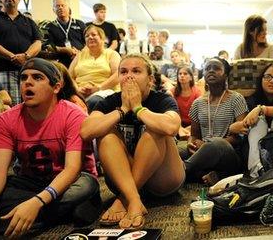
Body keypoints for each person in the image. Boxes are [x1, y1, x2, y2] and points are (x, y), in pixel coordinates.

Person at [0, 58, 99, 237]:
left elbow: (72, 169)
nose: (28, 82)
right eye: (23, 78)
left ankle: (24, 215)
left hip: (72, 180)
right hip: (31, 182)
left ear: (56, 87)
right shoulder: (5, 120)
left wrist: (37, 202)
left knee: (85, 186)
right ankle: (59, 213)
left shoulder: (73, 115)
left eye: (37, 77)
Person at [80, 53, 184, 229]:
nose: (129, 76)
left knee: (156, 129)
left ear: (150, 79)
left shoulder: (162, 99)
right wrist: (122, 110)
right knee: (105, 132)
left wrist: (137, 108)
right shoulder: (110, 101)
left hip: (162, 179)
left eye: (136, 71)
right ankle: (134, 198)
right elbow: (86, 131)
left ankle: (123, 199)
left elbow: (171, 127)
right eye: (123, 71)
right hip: (122, 178)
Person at [185, 57, 247, 185]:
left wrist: (208, 146)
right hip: (203, 151)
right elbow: (194, 135)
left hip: (228, 153)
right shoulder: (197, 103)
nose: (211, 71)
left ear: (225, 75)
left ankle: (183, 171)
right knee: (177, 149)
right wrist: (191, 143)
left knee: (217, 143)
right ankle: (214, 176)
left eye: (217, 68)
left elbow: (240, 136)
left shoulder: (236, 99)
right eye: (207, 68)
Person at [230, 63, 273, 177]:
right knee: (259, 122)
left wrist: (261, 109)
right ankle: (256, 171)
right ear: (261, 80)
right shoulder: (252, 99)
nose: (272, 81)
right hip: (257, 149)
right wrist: (233, 127)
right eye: (267, 77)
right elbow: (242, 125)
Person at [0, 0, 42, 105]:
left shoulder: (28, 21)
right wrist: (12, 56)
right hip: (3, 71)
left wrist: (26, 56)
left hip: (27, 72)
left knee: (30, 106)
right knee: (11, 109)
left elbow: (38, 42)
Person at [68, 25, 121, 111]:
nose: (90, 37)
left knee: (94, 101)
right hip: (80, 92)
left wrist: (98, 88)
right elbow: (69, 76)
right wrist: (76, 89)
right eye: (87, 36)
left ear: (102, 38)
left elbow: (118, 75)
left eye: (93, 34)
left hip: (104, 91)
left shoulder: (112, 54)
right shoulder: (80, 55)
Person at [168, 67, 202, 159]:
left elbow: (200, 114)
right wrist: (179, 128)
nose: (182, 76)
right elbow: (171, 111)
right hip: (178, 125)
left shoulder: (197, 92)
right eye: (180, 74)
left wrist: (190, 128)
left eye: (185, 74)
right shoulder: (172, 91)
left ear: (191, 77)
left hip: (193, 125)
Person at [47, 0, 86, 68]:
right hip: (60, 63)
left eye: (63, 5)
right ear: (53, 10)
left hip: (81, 60)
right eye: (57, 6)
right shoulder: (50, 26)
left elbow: (87, 42)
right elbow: (48, 46)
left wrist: (80, 53)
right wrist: (64, 50)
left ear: (68, 8)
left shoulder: (79, 23)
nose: (60, 8)